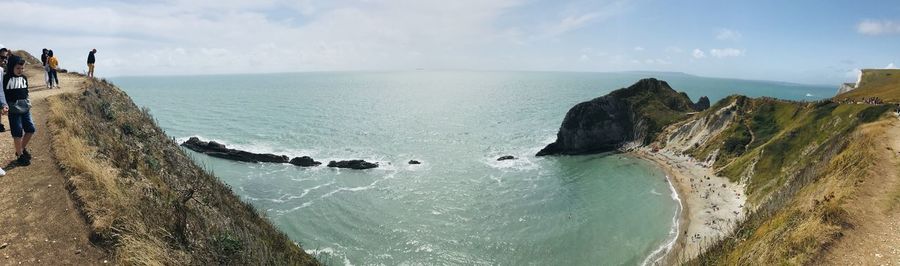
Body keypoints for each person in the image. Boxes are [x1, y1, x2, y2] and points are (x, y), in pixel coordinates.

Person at [0, 58, 35, 166]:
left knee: (31, 129)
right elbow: (2, 93)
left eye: (22, 68)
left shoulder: (24, 78)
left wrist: (28, 102)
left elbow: (26, 91)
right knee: (17, 133)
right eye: (18, 68)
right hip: (14, 110)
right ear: (11, 67)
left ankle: (20, 149)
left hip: (25, 108)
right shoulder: (5, 78)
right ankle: (20, 155)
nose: (20, 70)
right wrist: (3, 106)